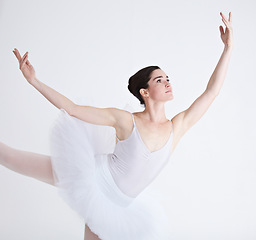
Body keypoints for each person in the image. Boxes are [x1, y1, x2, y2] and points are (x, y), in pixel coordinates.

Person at [0, 12, 233, 240]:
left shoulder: (177, 127)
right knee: (11, 158)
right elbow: (72, 109)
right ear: (145, 92)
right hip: (90, 177)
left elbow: (211, 91)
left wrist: (227, 49)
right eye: (159, 80)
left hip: (118, 206)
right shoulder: (125, 120)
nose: (167, 83)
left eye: (168, 79)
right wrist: (34, 81)